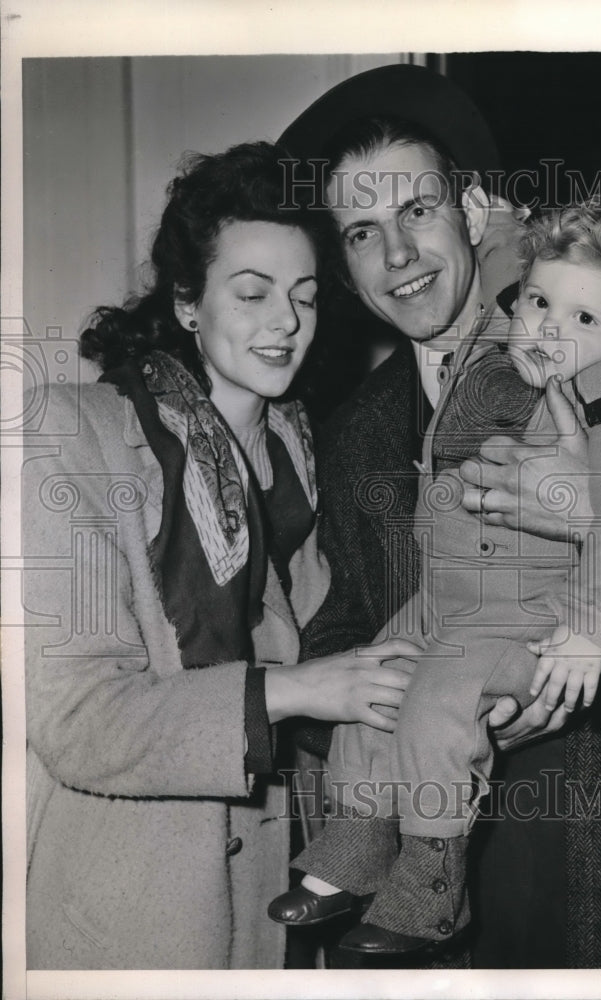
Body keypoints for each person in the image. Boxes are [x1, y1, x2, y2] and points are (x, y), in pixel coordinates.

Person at [272, 65, 601, 968]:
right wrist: (339, 686)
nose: (396, 254)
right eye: (362, 232)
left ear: (475, 207)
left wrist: (586, 518)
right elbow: (347, 621)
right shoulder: (350, 432)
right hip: (429, 875)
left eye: (416, 210)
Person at [23, 140, 419, 970]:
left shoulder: (307, 454)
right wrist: (299, 688)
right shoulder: (72, 431)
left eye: (305, 298)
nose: (286, 323)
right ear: (187, 301)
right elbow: (76, 721)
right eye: (252, 293)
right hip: (123, 915)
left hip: (273, 908)